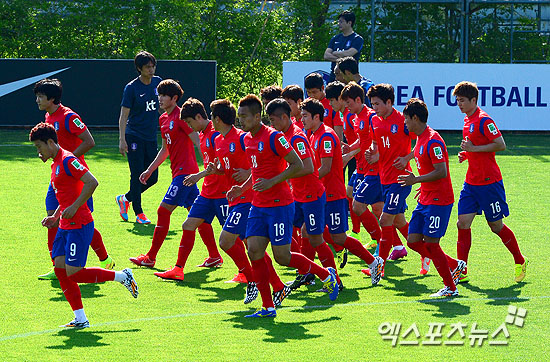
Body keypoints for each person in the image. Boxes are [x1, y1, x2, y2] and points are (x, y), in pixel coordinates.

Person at [228, 94, 339, 318]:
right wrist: (243, 188)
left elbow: (298, 164)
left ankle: (326, 275)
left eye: (244, 116)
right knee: (254, 251)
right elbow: (258, 172)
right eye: (239, 116)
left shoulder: (275, 137)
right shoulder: (247, 139)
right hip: (258, 206)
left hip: (280, 205)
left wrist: (273, 181)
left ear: (257, 116)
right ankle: (268, 306)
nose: (241, 120)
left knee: (283, 257)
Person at [30, 123, 138, 329]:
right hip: (63, 225)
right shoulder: (55, 164)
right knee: (60, 269)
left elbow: (92, 182)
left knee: (75, 273)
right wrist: (54, 217)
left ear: (50, 142)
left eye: (39, 146)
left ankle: (123, 276)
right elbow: (64, 197)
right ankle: (80, 318)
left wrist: (75, 206)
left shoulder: (69, 160)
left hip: (79, 224)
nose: (38, 151)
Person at [128, 82, 219, 270]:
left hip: (186, 175)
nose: (159, 98)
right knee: (197, 216)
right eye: (158, 94)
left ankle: (150, 257)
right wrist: (150, 169)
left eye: (164, 95)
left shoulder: (182, 117)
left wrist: (207, 171)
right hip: (180, 174)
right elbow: (165, 149)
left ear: (174, 98)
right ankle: (214, 256)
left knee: (163, 211)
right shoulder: (162, 119)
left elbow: (199, 142)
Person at [34, 78, 115, 281]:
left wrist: (66, 161)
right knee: (53, 218)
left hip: (76, 178)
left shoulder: (69, 117)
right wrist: (49, 156)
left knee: (81, 221)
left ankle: (104, 259)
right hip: (58, 177)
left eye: (40, 97)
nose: (37, 100)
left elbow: (90, 141)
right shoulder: (48, 116)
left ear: (51, 99)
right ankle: (57, 265)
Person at [301, 98, 383, 286]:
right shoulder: (313, 134)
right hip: (320, 193)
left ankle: (372, 262)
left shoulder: (326, 136)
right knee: (309, 231)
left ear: (316, 116)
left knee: (337, 237)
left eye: (305, 116)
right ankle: (311, 274)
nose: (303, 119)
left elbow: (326, 168)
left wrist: (306, 181)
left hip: (332, 195)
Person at [452, 81, 527, 283]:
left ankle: (520, 259)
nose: (459, 104)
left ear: (473, 100)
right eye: (457, 101)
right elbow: (476, 146)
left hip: (489, 183)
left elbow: (500, 145)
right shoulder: (467, 120)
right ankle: (462, 268)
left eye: (462, 100)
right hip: (471, 183)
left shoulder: (484, 120)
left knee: (495, 226)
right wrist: (467, 154)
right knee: (462, 223)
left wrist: (473, 149)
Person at [266, 98, 342, 291]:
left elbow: (308, 168)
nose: (271, 124)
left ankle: (335, 280)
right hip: (297, 195)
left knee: (316, 238)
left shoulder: (297, 137)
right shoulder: (285, 135)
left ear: (284, 117)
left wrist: (280, 177)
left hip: (311, 196)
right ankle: (306, 273)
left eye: (273, 119)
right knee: (294, 231)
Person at [152, 97, 228, 280]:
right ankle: (179, 268)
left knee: (236, 237)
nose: (188, 126)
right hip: (207, 192)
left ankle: (246, 272)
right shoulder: (201, 134)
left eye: (189, 122)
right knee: (189, 224)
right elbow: (211, 165)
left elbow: (222, 168)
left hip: (219, 191)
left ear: (198, 117)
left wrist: (198, 175)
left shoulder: (216, 135)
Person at [398, 98, 466, 297]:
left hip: (439, 200)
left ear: (415, 118)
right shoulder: (420, 138)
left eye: (407, 119)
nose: (405, 123)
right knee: (412, 241)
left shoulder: (433, 140)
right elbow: (419, 156)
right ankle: (454, 264)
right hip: (425, 198)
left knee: (431, 244)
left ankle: (451, 288)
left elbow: (442, 171)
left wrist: (416, 180)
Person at [365, 84, 430, 277]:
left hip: (400, 180)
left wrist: (407, 158)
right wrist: (373, 152)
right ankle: (428, 254)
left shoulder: (403, 121)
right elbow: (375, 143)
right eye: (372, 103)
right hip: (383, 177)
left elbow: (421, 141)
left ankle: (379, 266)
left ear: (389, 102)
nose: (374, 107)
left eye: (377, 103)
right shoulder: (374, 120)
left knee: (385, 219)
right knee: (399, 221)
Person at [116, 50, 162, 224]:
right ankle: (139, 213)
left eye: (153, 66)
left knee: (153, 177)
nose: (151, 70)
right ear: (139, 68)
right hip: (134, 135)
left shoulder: (158, 83)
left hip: (151, 136)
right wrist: (122, 139)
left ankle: (125, 198)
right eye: (147, 67)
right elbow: (124, 115)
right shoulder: (131, 88)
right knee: (137, 174)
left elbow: (160, 107)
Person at [339, 82, 384, 253]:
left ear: (358, 100)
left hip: (374, 169)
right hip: (364, 168)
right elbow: (363, 141)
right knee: (379, 210)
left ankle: (380, 240)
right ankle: (385, 242)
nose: (347, 107)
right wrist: (350, 148)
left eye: (349, 103)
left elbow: (380, 140)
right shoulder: (357, 118)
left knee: (359, 206)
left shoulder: (371, 117)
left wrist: (377, 156)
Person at [324, 10, 364, 82]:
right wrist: (340, 59)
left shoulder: (357, 39)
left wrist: (335, 53)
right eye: (338, 21)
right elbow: (326, 55)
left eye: (341, 22)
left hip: (349, 77)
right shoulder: (335, 38)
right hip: (334, 77)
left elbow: (349, 54)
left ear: (349, 23)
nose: (339, 24)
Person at [304, 73, 343, 142]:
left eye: (314, 92)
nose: (311, 95)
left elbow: (338, 135)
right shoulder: (307, 104)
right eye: (309, 92)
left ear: (322, 88)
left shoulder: (332, 104)